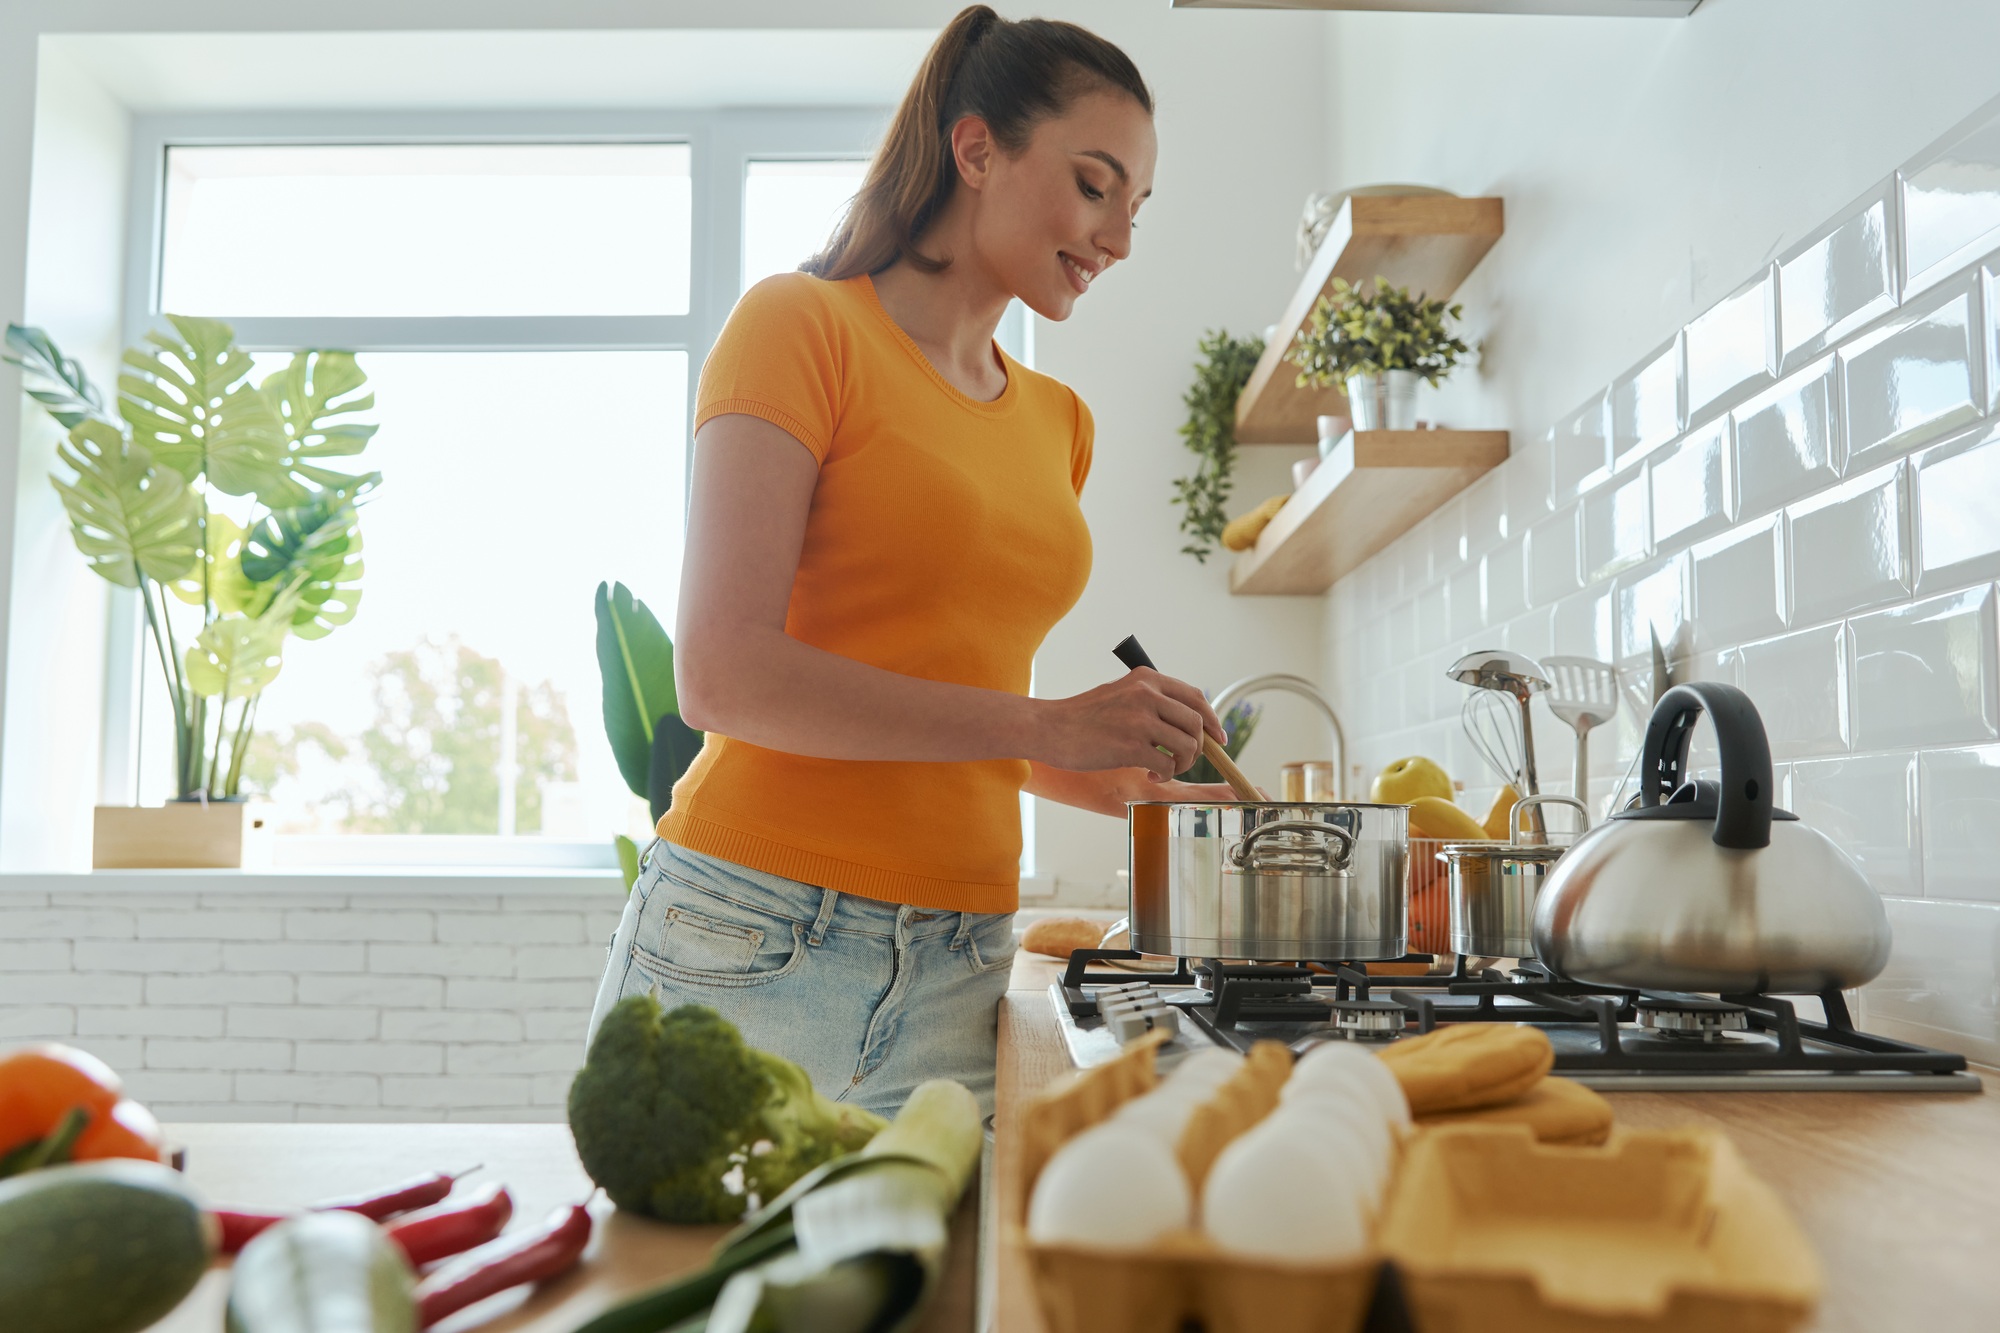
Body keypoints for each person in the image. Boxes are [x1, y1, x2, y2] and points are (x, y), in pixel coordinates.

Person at [587, 5, 1234, 1116]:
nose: (1118, 237)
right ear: (975, 148)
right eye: (1092, 185)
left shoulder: (1058, 422)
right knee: (687, 1287)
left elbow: (943, 699)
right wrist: (1042, 724)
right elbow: (723, 677)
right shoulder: (801, 328)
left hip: (963, 957)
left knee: (925, 1295)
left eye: (1135, 206)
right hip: (751, 931)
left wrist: (1099, 772)